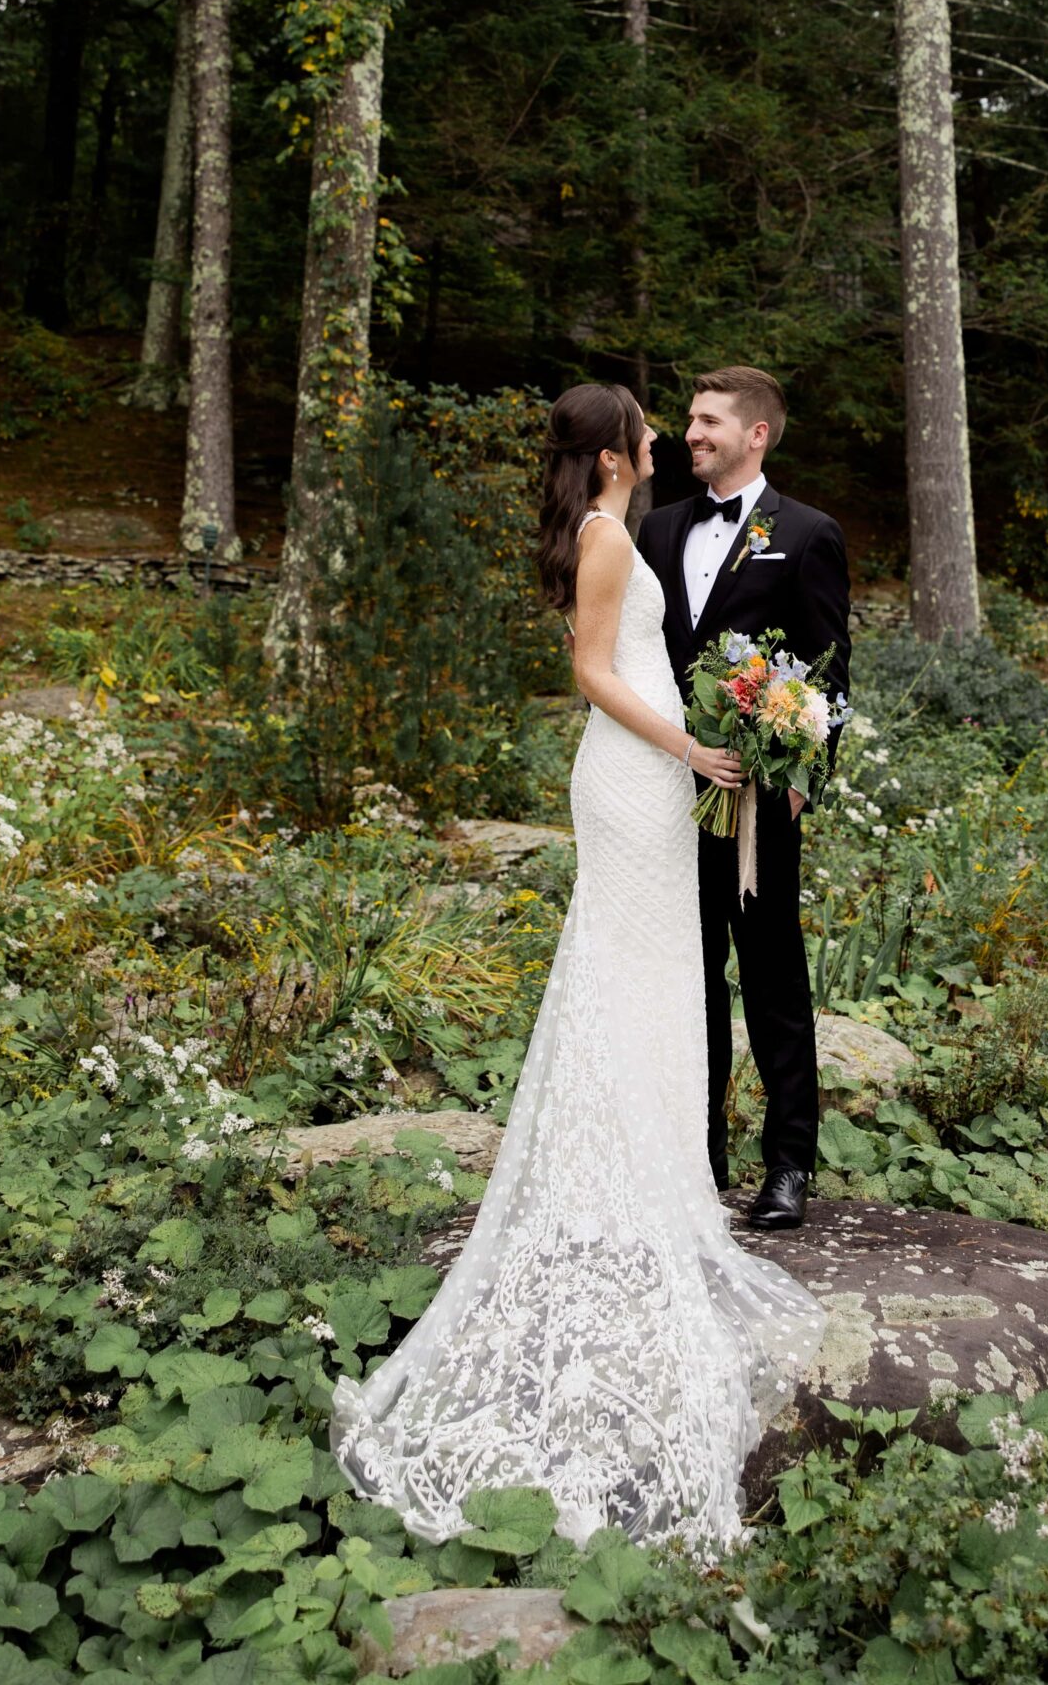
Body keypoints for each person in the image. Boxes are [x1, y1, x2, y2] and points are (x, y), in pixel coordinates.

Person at [331, 383, 824, 1548]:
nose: (667, 441)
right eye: (653, 429)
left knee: (663, 974)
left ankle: (674, 1165)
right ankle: (640, 1176)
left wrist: (759, 742)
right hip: (644, 769)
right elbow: (593, 669)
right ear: (614, 455)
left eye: (687, 424)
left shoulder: (672, 526)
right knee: (635, 968)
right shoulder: (620, 534)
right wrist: (691, 744)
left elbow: (782, 653)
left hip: (675, 774)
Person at [636, 366, 851, 1233]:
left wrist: (801, 779)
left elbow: (829, 674)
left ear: (755, 433)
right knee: (688, 982)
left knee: (770, 979)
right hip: (661, 795)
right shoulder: (653, 530)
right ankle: (700, 1159)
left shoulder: (804, 534)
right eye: (689, 419)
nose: (689, 433)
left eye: (708, 420)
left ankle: (788, 1164)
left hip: (760, 803)